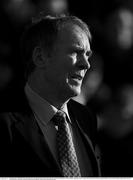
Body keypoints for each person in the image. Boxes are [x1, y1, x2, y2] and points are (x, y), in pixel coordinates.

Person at [0, 12, 101, 177]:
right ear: (40, 57)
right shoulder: (4, 122)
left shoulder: (86, 118)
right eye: (76, 52)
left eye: (88, 55)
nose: (86, 64)